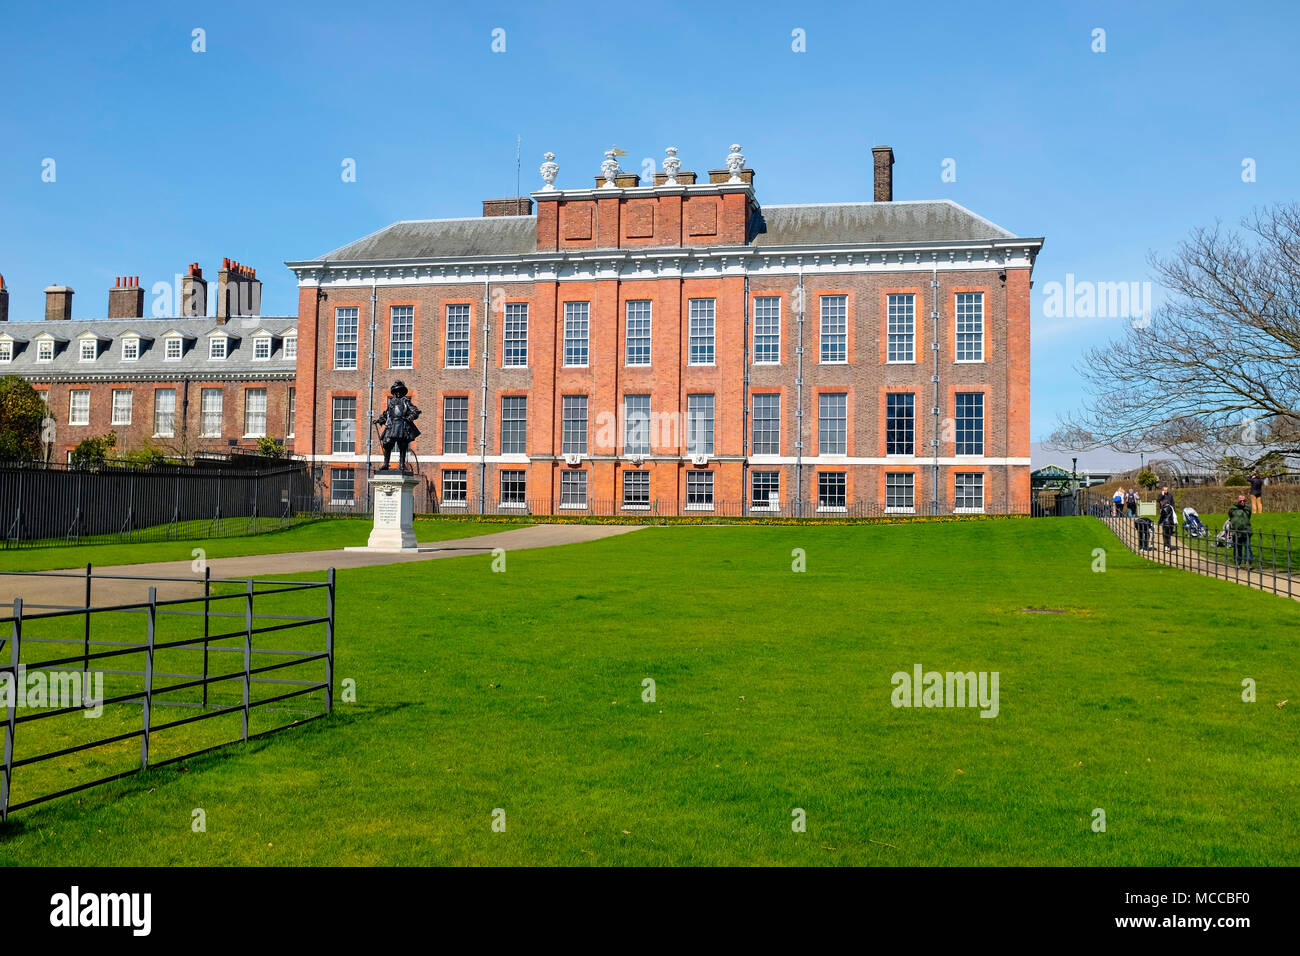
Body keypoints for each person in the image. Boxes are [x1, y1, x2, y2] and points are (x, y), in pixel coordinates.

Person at [373, 380, 422, 471]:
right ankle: (386, 464)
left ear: (403, 392)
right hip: (392, 425)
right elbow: (387, 414)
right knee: (387, 443)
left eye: (400, 391)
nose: (398, 393)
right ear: (394, 392)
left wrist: (410, 417)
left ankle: (402, 465)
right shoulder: (391, 403)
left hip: (401, 425)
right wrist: (379, 420)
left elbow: (415, 411)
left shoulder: (405, 401)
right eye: (396, 391)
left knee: (402, 445)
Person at [1227, 493, 1254, 567]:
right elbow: (1230, 515)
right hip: (1236, 531)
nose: (1242, 502)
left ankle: (1247, 562)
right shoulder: (1232, 509)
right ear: (1237, 501)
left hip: (1246, 531)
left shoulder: (1247, 509)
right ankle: (1237, 562)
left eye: (1244, 501)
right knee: (1237, 547)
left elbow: (1249, 516)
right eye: (1241, 501)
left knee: (1247, 547)